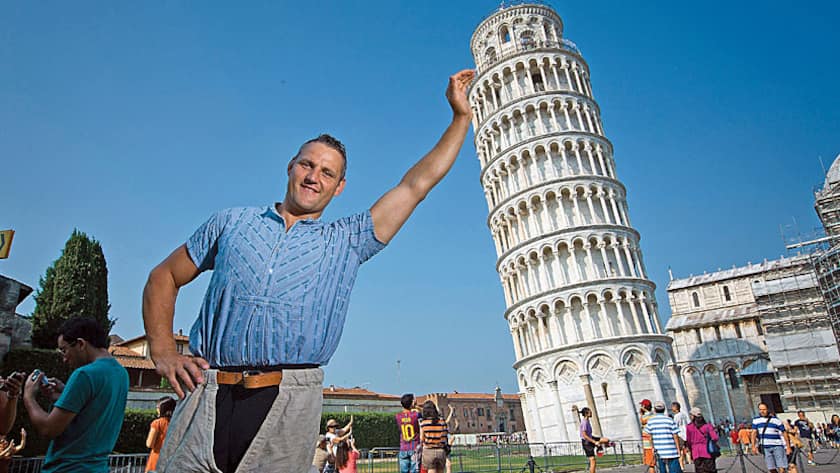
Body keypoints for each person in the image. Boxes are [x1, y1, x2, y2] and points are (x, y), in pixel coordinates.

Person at [142, 69, 476, 473]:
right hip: (205, 392)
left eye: (327, 173)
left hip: (288, 400)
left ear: (339, 188)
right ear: (291, 166)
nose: (313, 176)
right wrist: (162, 352)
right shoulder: (231, 223)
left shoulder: (347, 240)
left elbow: (415, 186)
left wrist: (460, 119)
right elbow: (164, 276)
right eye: (307, 164)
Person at [22, 317, 129, 473]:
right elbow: (92, 408)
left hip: (68, 468)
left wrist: (28, 396)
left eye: (64, 350)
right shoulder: (121, 373)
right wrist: (65, 394)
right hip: (98, 468)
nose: (64, 358)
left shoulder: (84, 374)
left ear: (80, 344)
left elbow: (48, 428)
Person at [751, 402, 791, 473]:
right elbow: (753, 433)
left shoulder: (776, 420)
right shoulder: (756, 420)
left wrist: (788, 447)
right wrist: (753, 446)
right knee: (771, 468)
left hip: (777, 445)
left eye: (764, 409)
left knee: (781, 467)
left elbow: (784, 433)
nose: (762, 411)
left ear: (768, 409)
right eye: (760, 409)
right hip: (765, 447)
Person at [644, 401, 682, 473]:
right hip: (671, 450)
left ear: (654, 410)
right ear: (664, 409)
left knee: (662, 470)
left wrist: (652, 447)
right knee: (674, 470)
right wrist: (678, 449)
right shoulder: (670, 420)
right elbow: (675, 435)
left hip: (659, 451)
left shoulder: (651, 421)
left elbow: (649, 436)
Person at [145, 396, 176, 472]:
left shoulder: (157, 423)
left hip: (157, 460)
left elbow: (150, 444)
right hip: (173, 461)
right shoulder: (178, 423)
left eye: (157, 407)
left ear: (162, 409)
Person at [685, 407, 719, 473]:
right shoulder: (707, 426)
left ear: (693, 416)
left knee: (699, 470)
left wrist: (690, 448)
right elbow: (715, 438)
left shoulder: (689, 427)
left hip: (696, 452)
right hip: (707, 451)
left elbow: (688, 441)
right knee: (711, 470)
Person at [419, 400, 448, 473]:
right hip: (441, 450)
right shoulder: (442, 421)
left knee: (431, 470)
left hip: (428, 451)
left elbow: (421, 439)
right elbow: (445, 436)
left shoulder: (423, 423)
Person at [579, 407, 609, 473]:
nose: (591, 413)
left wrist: (596, 441)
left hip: (591, 438)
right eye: (590, 412)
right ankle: (598, 446)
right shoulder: (584, 423)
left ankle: (600, 447)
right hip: (587, 442)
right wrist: (594, 442)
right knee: (592, 461)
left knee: (606, 440)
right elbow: (584, 435)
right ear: (586, 414)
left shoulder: (587, 420)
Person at [395, 393, 421, 473]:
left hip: (403, 447)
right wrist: (416, 407)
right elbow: (424, 415)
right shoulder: (416, 415)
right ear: (412, 403)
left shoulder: (398, 416)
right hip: (414, 447)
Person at [671, 402, 691, 468]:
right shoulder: (684, 414)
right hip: (686, 434)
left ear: (675, 408)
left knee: (680, 450)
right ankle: (689, 461)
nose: (671, 408)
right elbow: (688, 423)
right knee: (687, 449)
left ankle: (682, 466)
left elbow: (674, 426)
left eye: (672, 407)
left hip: (680, 435)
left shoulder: (676, 416)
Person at [639, 399, 655, 473]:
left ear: (644, 406)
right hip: (654, 441)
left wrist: (641, 413)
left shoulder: (646, 416)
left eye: (642, 405)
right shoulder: (653, 415)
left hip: (648, 443)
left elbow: (642, 421)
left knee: (651, 464)